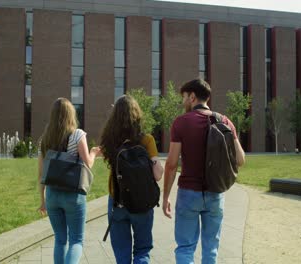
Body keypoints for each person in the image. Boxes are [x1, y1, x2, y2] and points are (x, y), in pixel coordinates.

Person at [162, 79, 246, 264]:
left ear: (192, 97)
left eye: (184, 97)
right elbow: (240, 159)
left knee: (185, 248)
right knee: (211, 249)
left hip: (188, 194)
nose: (183, 101)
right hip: (216, 193)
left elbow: (171, 164)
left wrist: (166, 196)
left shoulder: (181, 123)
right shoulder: (224, 121)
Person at [100, 95, 164, 264]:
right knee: (142, 251)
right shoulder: (146, 140)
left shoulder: (110, 141)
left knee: (122, 254)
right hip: (142, 202)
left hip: (117, 201)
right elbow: (158, 175)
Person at [37, 97, 100, 264]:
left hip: (52, 195)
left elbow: (41, 174)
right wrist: (94, 152)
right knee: (76, 241)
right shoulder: (78, 135)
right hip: (73, 195)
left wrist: (42, 201)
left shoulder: (45, 139)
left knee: (59, 239)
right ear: (71, 114)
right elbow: (87, 164)